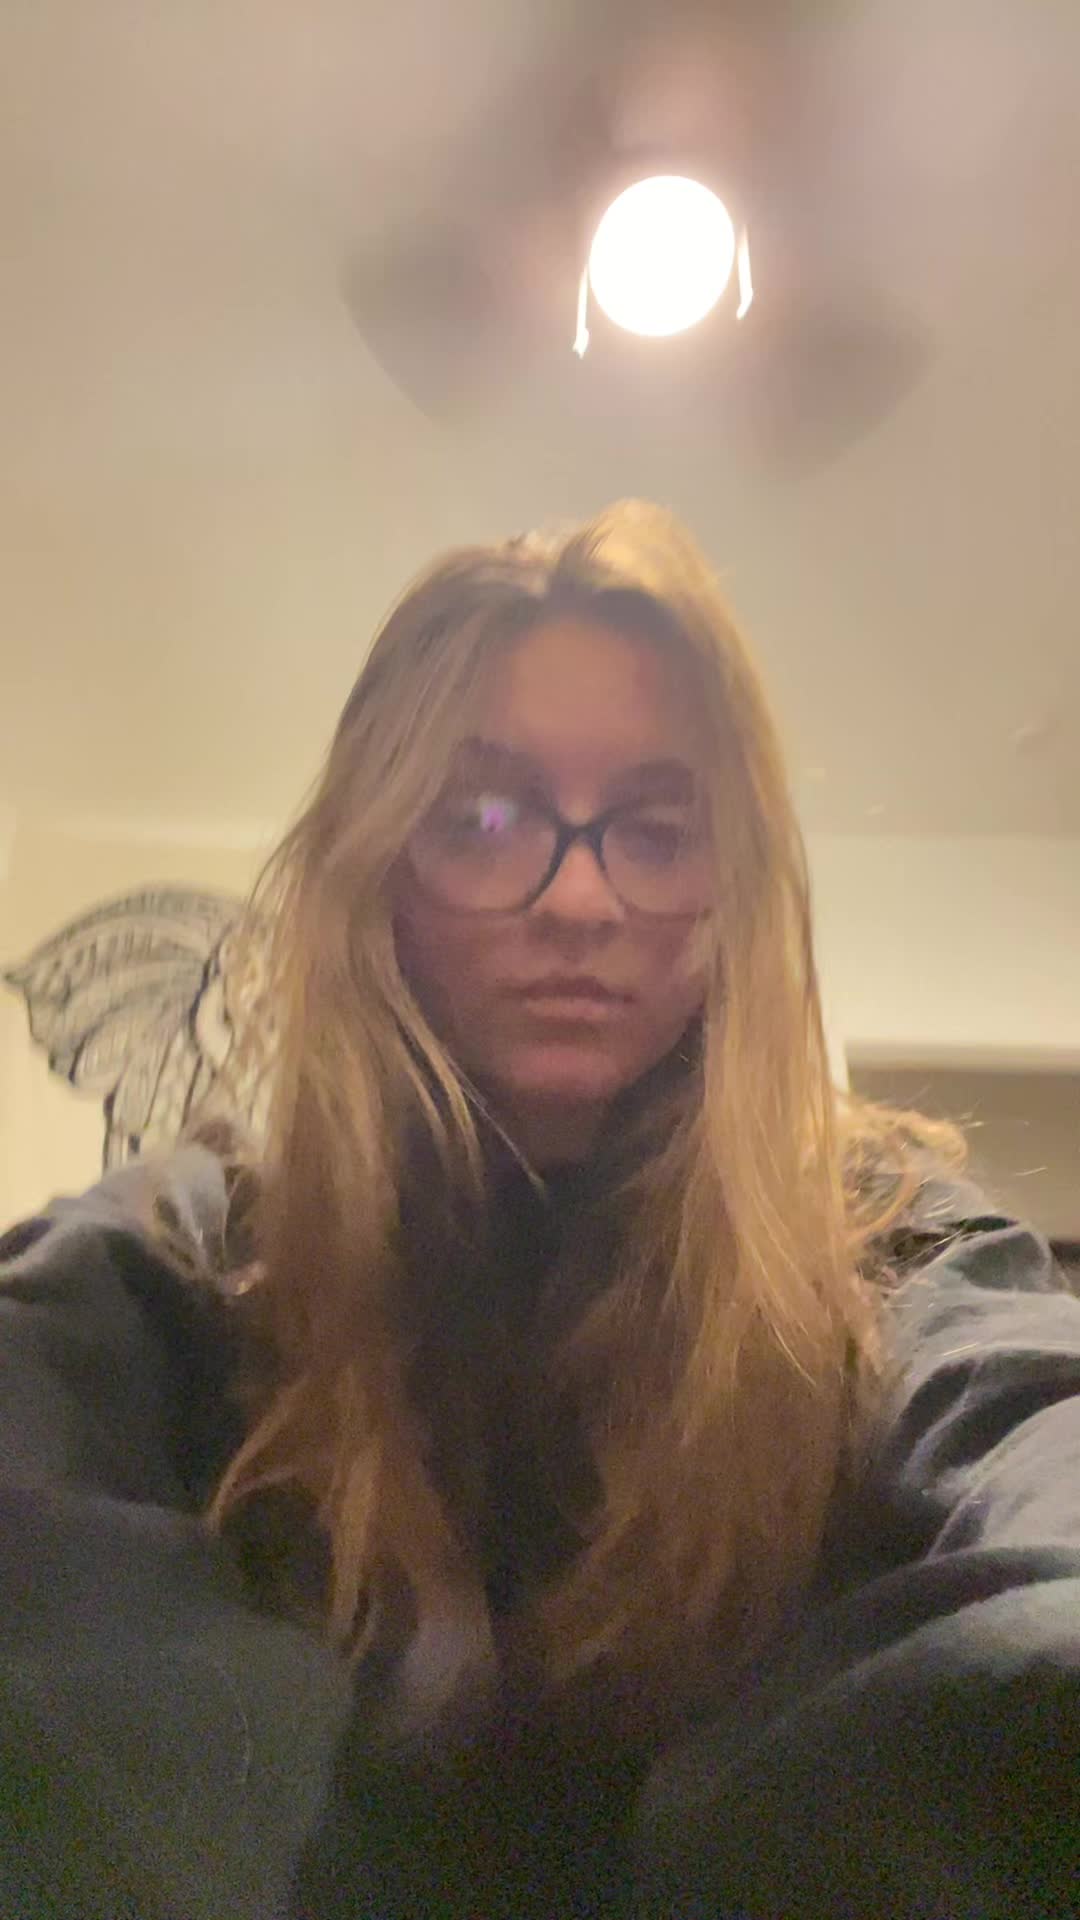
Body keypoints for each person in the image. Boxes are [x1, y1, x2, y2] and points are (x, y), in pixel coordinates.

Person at [0, 499, 1077, 1918]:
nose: (579, 902)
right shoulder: (197, 1252)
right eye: (486, 818)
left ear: (736, 893)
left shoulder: (882, 1241)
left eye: (657, 829)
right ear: (378, 871)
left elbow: (1033, 1427)